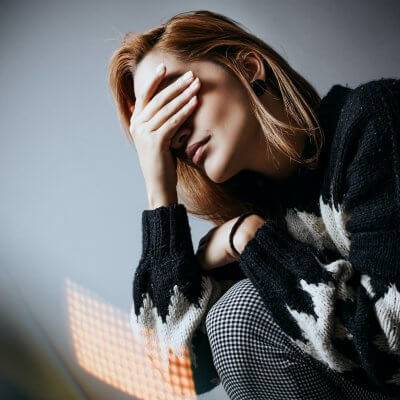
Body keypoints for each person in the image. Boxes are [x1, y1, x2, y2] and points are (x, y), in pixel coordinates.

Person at [107, 9, 400, 399]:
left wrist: (253, 241)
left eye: (175, 98)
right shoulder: (262, 212)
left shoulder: (373, 119)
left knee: (238, 314)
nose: (174, 131)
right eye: (158, 125)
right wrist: (159, 192)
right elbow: (180, 374)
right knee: (233, 316)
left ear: (248, 67)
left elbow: (390, 341)